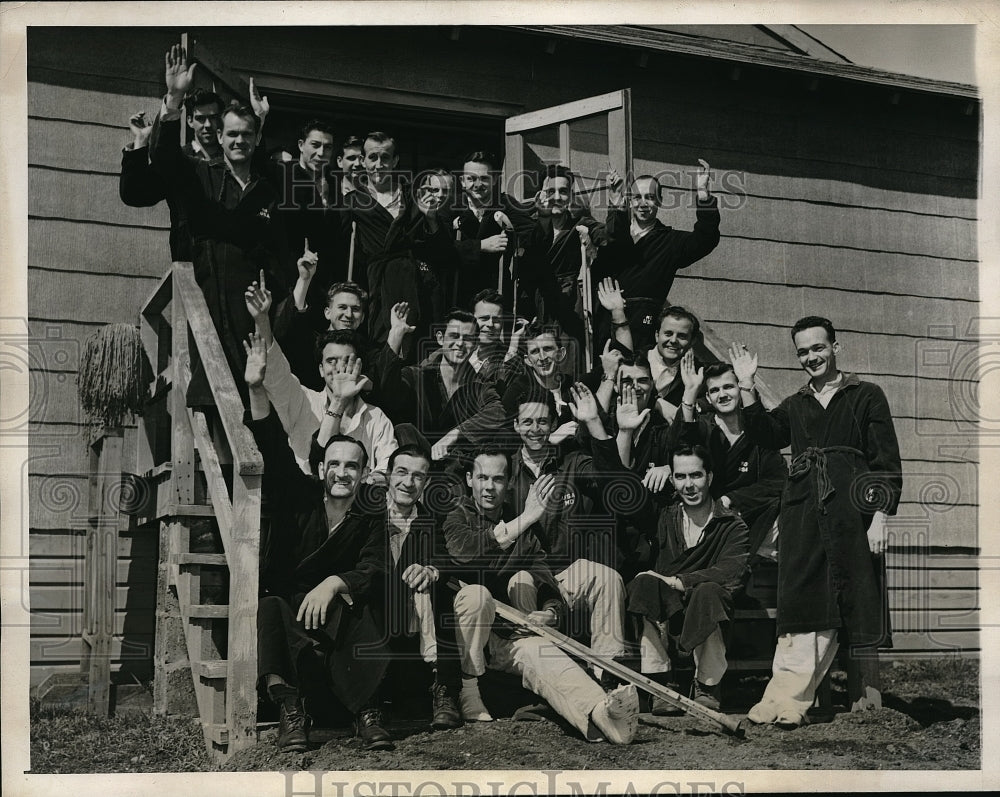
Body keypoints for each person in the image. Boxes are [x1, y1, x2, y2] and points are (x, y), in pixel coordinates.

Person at [733, 317, 902, 728]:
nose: (811, 357)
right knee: (806, 603)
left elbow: (885, 461)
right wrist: (746, 385)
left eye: (818, 348)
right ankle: (785, 700)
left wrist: (880, 516)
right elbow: (763, 433)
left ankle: (790, 699)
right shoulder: (797, 404)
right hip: (804, 511)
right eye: (803, 352)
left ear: (835, 347)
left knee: (845, 599)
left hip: (851, 513)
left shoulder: (866, 396)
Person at [242, 332, 393, 751]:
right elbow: (272, 447)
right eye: (335, 464)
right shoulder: (300, 494)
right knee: (270, 608)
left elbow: (376, 566)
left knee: (364, 606)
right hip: (292, 604)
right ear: (321, 467)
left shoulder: (368, 513)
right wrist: (256, 389)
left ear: (364, 474)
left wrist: (336, 583)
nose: (342, 473)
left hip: (335, 611)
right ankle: (292, 713)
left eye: (353, 467)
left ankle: (368, 710)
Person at [441, 445, 640, 742]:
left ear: (508, 483)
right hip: (473, 638)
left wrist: (550, 611)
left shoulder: (522, 523)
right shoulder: (458, 517)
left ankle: (604, 716)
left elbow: (542, 574)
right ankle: (469, 693)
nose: (489, 487)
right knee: (478, 594)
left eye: (497, 479)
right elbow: (464, 553)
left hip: (512, 634)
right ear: (470, 479)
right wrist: (526, 518)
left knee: (546, 658)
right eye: (482, 478)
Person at [151, 46, 288, 406]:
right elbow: (165, 161)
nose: (238, 140)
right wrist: (175, 100)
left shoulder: (269, 188)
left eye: (247, 134)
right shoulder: (202, 176)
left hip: (260, 307)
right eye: (231, 135)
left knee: (264, 394)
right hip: (214, 300)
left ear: (257, 139)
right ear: (220, 139)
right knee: (215, 394)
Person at [499, 384, 633, 679]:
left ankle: (606, 674)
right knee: (520, 580)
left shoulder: (572, 462)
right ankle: (544, 677)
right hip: (524, 571)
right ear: (516, 425)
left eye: (543, 421)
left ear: (553, 424)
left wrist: (595, 424)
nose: (536, 429)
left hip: (568, 571)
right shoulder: (504, 470)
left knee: (608, 579)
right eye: (528, 422)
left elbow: (615, 485)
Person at [625, 444, 750, 714]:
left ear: (710, 477)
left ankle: (707, 685)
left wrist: (680, 581)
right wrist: (621, 433)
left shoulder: (731, 524)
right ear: (672, 480)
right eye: (680, 477)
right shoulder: (663, 516)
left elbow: (732, 570)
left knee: (708, 591)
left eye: (696, 475)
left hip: (708, 613)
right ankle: (660, 683)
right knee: (643, 583)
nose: (689, 485)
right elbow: (619, 486)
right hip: (667, 615)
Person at [245, 274, 397, 478]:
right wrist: (262, 319)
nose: (339, 368)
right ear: (320, 369)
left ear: (359, 367)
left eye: (347, 361)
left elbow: (388, 468)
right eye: (331, 361)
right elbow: (274, 369)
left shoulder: (376, 418)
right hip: (305, 501)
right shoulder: (302, 400)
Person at [671, 354, 787, 559]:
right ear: (707, 398)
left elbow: (776, 481)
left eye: (728, 387)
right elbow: (681, 448)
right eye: (714, 390)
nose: (722, 395)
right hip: (707, 518)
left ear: (740, 390)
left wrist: (731, 499)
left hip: (752, 515)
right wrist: (689, 393)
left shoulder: (759, 430)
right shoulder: (703, 427)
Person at [380, 444, 463, 730]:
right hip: (379, 610)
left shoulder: (430, 519)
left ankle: (445, 689)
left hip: (413, 615)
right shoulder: (368, 515)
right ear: (388, 475)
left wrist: (431, 569)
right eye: (401, 472)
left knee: (436, 585)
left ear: (425, 483)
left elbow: (446, 556)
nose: (408, 482)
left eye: (418, 476)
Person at [345, 131, 454, 344]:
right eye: (372, 157)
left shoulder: (413, 196)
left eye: (385, 157)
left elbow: (442, 249)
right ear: (363, 161)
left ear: (395, 161)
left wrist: (431, 218)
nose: (379, 164)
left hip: (415, 285)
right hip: (376, 286)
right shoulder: (352, 202)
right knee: (379, 345)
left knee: (415, 345)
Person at [600, 162, 720, 350]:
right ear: (630, 201)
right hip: (606, 326)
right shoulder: (613, 235)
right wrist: (615, 200)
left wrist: (703, 194)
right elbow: (614, 237)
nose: (642, 203)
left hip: (643, 327)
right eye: (637, 197)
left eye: (649, 197)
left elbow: (706, 239)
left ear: (660, 201)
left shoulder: (670, 242)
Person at [377, 304, 505, 458]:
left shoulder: (480, 386)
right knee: (404, 429)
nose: (460, 344)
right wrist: (396, 334)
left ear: (475, 344)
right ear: (440, 338)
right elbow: (387, 392)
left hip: (456, 468)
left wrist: (454, 435)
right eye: (454, 336)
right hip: (415, 466)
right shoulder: (416, 376)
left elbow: (497, 413)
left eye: (468, 338)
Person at [451, 151, 547, 310]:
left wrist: (542, 217)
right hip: (459, 292)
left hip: (496, 292)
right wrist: (480, 245)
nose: (477, 184)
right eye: (471, 178)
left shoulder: (505, 203)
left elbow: (532, 236)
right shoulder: (451, 206)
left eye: (484, 178)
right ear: (462, 181)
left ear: (494, 179)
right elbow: (440, 247)